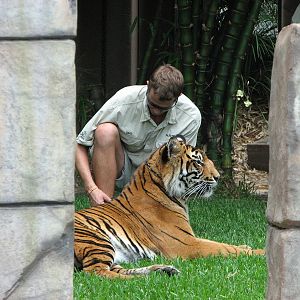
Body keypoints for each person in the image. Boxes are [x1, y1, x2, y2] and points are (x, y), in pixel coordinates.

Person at [76, 64, 201, 206]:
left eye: (163, 108)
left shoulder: (191, 116)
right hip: (121, 167)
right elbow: (80, 145)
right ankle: (103, 209)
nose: (156, 112)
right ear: (147, 86)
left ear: (178, 97)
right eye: (152, 104)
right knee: (105, 132)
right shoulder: (124, 99)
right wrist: (92, 189)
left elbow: (181, 168)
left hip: (158, 176)